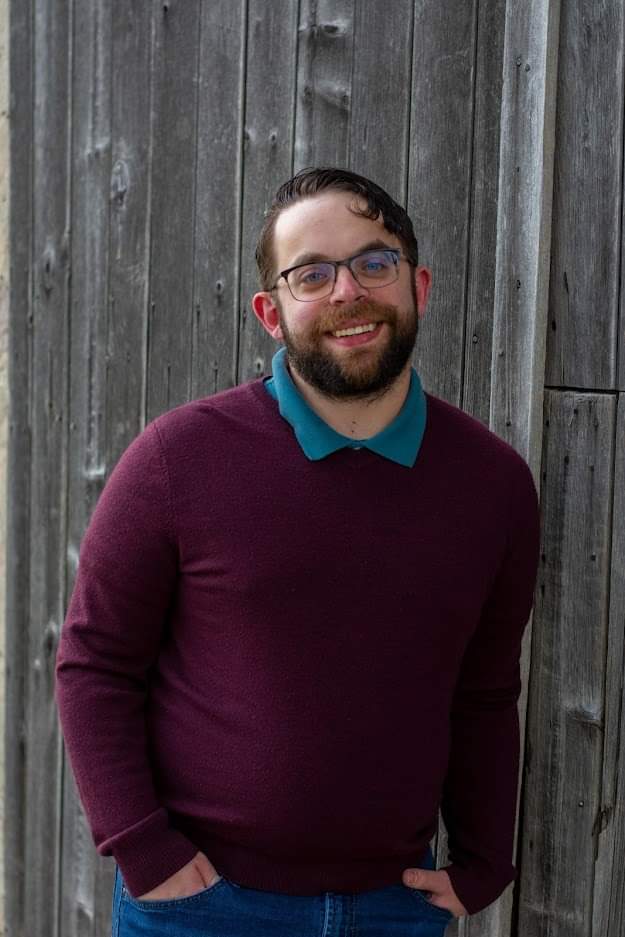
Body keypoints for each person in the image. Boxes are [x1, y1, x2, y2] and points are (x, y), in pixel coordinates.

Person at [55, 167, 541, 936]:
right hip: (202, 908)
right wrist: (144, 848)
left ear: (417, 286)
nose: (347, 291)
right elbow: (95, 663)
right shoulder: (178, 460)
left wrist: (483, 863)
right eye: (311, 273)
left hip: (393, 907)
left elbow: (483, 690)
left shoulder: (493, 486)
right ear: (271, 313)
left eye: (372, 262)